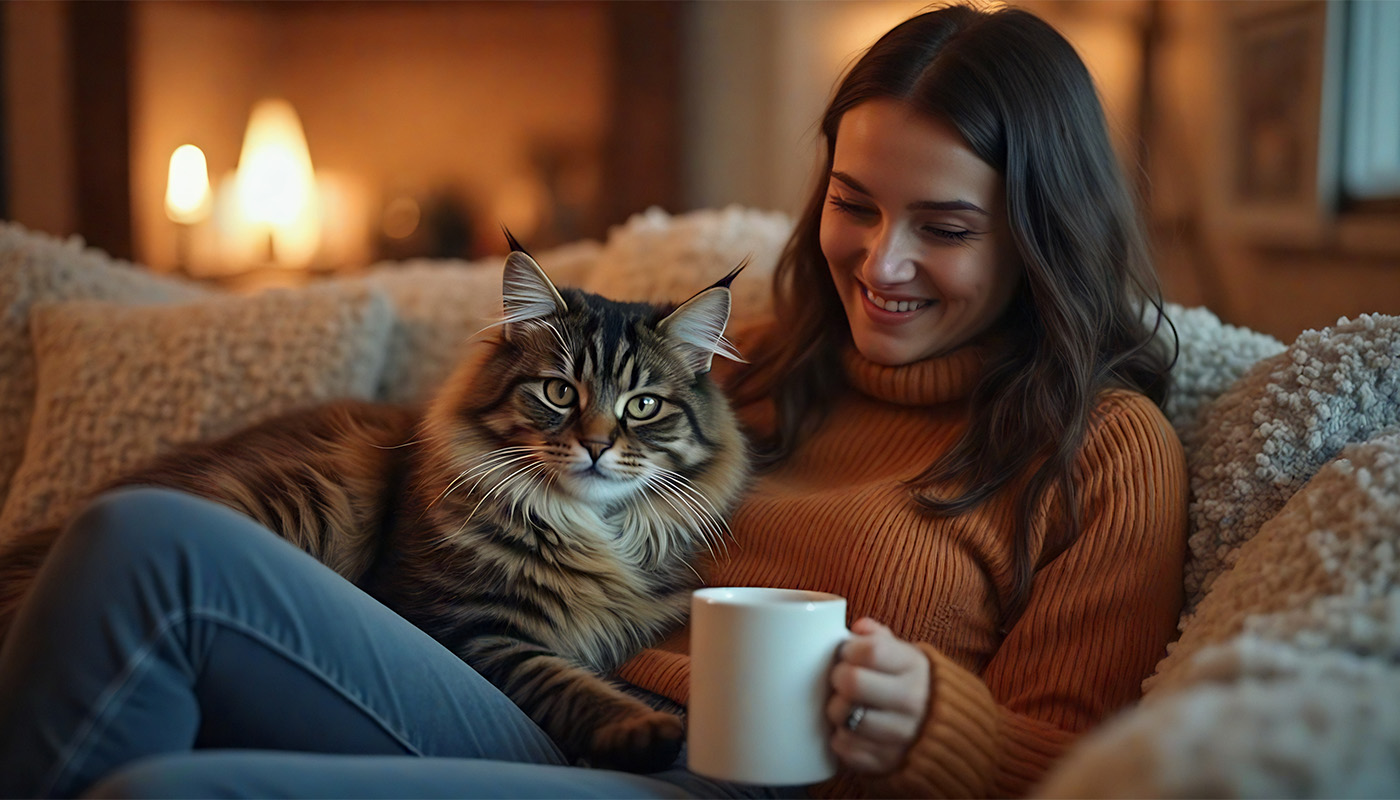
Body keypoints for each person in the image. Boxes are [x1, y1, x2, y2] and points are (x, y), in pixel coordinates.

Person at [0, 5, 1186, 798]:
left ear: (1038, 232)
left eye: (945, 227)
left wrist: (936, 716)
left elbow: (1101, 765)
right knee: (143, 542)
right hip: (533, 696)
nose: (878, 263)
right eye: (854, 202)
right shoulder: (753, 363)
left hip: (691, 775)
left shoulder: (1102, 448)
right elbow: (530, 415)